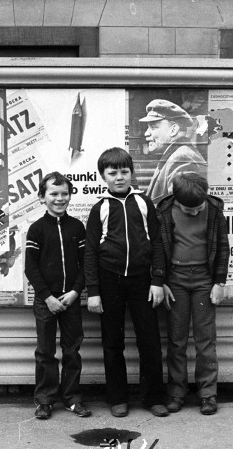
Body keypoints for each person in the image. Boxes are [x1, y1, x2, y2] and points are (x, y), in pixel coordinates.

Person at [84, 147, 168, 418]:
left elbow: (157, 243)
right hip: (110, 281)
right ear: (103, 176)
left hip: (143, 281)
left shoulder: (144, 202)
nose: (119, 177)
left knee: (150, 341)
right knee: (112, 342)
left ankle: (154, 397)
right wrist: (94, 292)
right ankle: (117, 398)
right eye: (113, 173)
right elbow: (91, 253)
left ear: (132, 173)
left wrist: (157, 280)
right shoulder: (100, 208)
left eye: (124, 171)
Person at [156, 172, 230, 415]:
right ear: (177, 200)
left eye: (199, 208)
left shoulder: (214, 210)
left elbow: (222, 246)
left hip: (204, 280)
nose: (196, 212)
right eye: (189, 210)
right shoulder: (164, 211)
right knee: (176, 340)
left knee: (205, 339)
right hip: (174, 279)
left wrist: (219, 282)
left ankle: (208, 394)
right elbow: (157, 247)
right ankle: (176, 393)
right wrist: (161, 281)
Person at [25, 171, 91, 420]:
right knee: (45, 352)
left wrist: (75, 291)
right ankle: (44, 400)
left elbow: (86, 264)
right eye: (53, 194)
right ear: (42, 197)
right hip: (46, 301)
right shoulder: (37, 229)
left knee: (72, 350)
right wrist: (47, 297)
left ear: (70, 196)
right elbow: (30, 268)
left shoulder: (77, 227)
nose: (59, 198)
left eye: (64, 193)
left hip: (70, 300)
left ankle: (73, 398)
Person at [139, 99, 207, 205]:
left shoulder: (182, 158)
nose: (146, 133)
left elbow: (181, 211)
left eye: (153, 127)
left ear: (173, 129)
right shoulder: (176, 155)